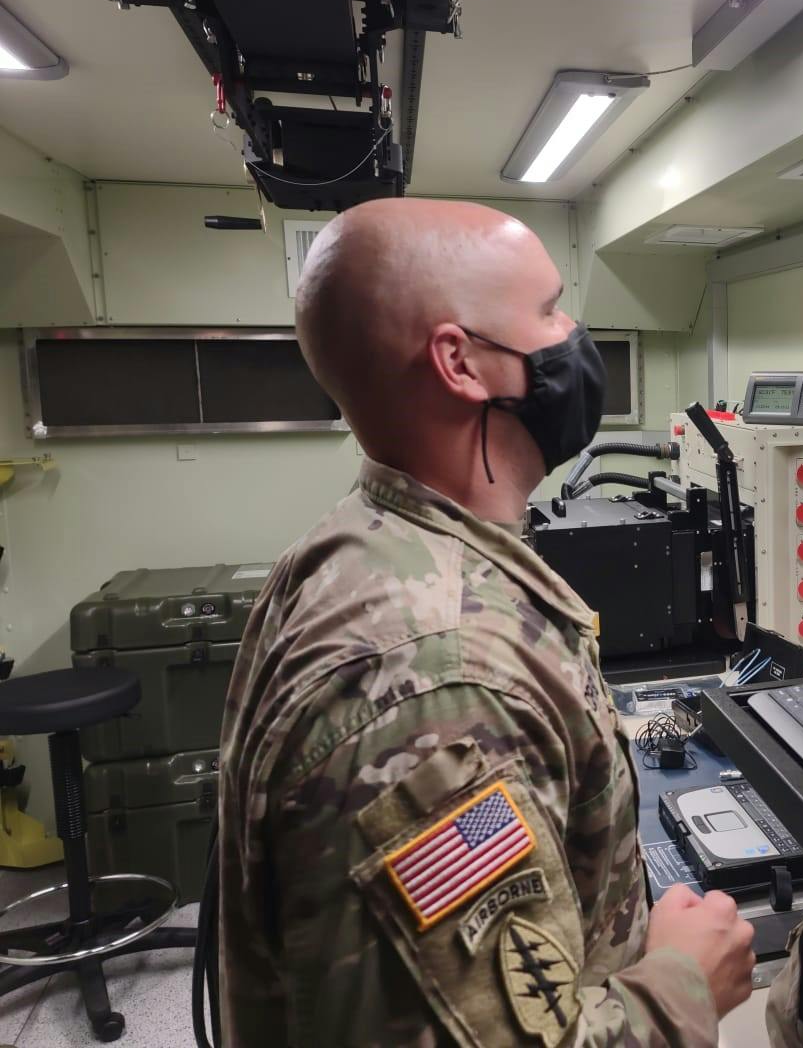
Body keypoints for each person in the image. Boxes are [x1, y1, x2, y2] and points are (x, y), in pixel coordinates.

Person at [217, 198, 754, 1047]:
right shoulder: (444, 680)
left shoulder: (355, 546)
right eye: (547, 310)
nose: (573, 332)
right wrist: (682, 983)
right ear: (461, 363)